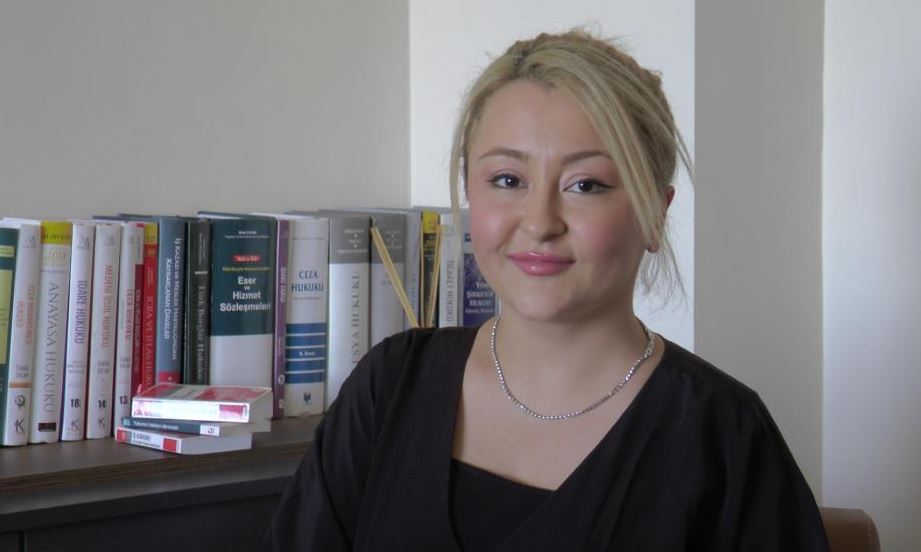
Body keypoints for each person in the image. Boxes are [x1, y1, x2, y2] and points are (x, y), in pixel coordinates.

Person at [264, 29, 829, 551]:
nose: (539, 222)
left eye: (586, 185)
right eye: (507, 180)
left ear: (655, 214)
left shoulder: (724, 437)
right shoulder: (390, 388)